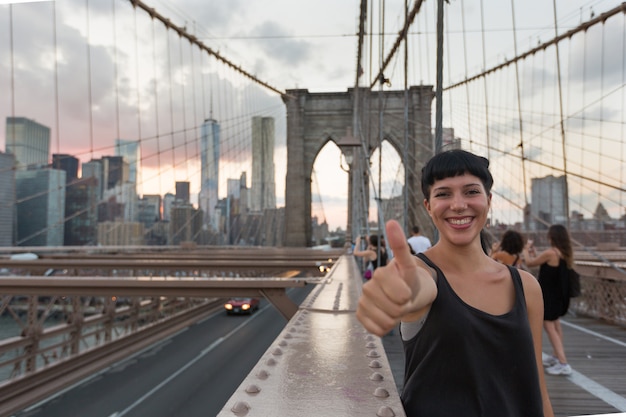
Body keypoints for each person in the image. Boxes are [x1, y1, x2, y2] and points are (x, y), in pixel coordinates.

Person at [356, 149, 553, 416]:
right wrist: (400, 292)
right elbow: (417, 289)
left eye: (471, 192)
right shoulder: (423, 273)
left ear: (489, 200)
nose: (458, 204)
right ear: (427, 206)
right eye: (443, 194)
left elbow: (537, 386)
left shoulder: (526, 286)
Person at [523, 224, 573, 376]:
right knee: (556, 325)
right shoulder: (563, 253)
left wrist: (526, 249)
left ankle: (563, 363)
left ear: (552, 237)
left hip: (549, 296)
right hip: (558, 295)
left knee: (549, 326)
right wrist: (535, 253)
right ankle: (556, 356)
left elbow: (530, 263)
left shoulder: (551, 252)